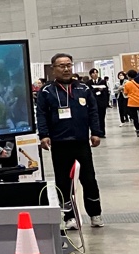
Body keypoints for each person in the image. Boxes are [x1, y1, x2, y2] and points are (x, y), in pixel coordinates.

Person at [36, 53, 105, 228]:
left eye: (68, 65)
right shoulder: (46, 91)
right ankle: (69, 217)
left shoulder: (83, 89)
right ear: (53, 69)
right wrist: (43, 135)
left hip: (81, 142)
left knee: (89, 179)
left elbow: (93, 111)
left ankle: (95, 214)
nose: (66, 69)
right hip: (59, 143)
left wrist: (96, 132)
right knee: (63, 181)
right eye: (62, 66)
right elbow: (41, 114)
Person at [123, 72, 139, 137]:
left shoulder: (127, 84)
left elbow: (125, 93)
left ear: (129, 76)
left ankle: (138, 130)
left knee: (135, 117)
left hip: (132, 102)